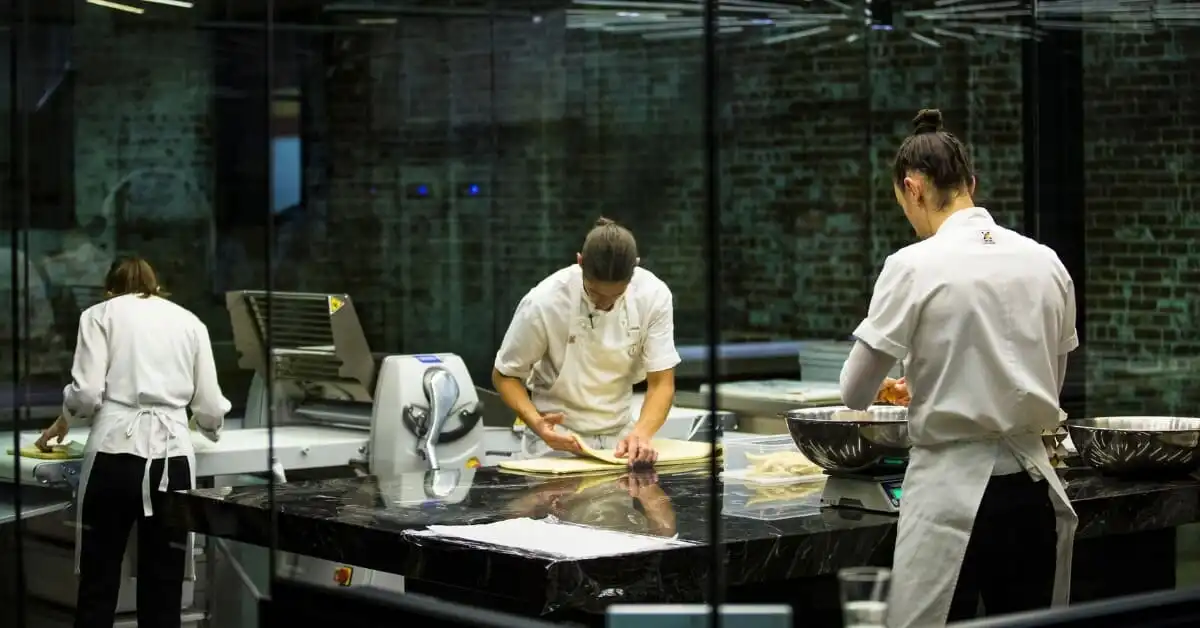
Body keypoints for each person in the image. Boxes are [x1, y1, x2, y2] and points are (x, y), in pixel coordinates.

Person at [838, 109, 1078, 627]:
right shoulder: (1046, 261)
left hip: (951, 497)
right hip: (1032, 490)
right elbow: (1049, 384)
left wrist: (915, 383)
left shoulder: (913, 264)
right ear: (971, 183)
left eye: (904, 202)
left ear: (913, 186)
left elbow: (854, 392)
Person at [35, 256, 230, 628]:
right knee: (164, 584)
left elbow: (88, 393)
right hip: (172, 462)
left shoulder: (99, 315)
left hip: (113, 457)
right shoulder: (189, 321)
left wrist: (69, 415)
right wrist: (208, 428)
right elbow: (209, 407)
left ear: (111, 289)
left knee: (99, 580)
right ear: (156, 287)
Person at [493, 217, 681, 465]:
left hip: (620, 442)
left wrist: (641, 434)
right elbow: (505, 374)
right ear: (579, 262)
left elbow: (661, 383)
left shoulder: (654, 296)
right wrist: (536, 422)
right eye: (595, 293)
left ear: (634, 268)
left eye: (616, 295)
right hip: (556, 443)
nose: (604, 304)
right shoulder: (544, 302)